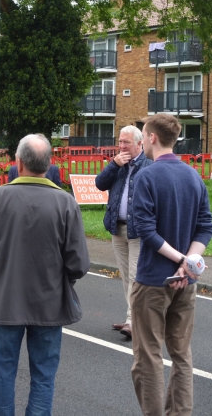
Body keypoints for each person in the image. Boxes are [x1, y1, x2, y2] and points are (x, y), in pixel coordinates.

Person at [0, 134, 90, 416]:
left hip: (5, 300)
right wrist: (63, 281)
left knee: (3, 373)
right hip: (50, 302)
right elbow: (78, 262)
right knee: (44, 377)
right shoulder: (66, 203)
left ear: (18, 163)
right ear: (49, 165)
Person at [130, 114, 212, 416]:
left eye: (143, 135)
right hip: (186, 283)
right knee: (181, 356)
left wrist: (180, 260)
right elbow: (206, 226)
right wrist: (188, 262)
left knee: (147, 358)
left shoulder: (146, 176)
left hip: (153, 280)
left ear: (152, 138)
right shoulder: (193, 176)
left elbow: (145, 230)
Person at [94, 125, 153, 340]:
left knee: (136, 276)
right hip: (117, 228)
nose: (121, 146)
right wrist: (113, 165)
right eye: (120, 141)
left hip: (138, 230)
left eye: (126, 142)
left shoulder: (148, 165)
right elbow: (100, 184)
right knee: (126, 277)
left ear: (139, 143)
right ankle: (132, 318)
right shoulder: (117, 164)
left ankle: (133, 321)